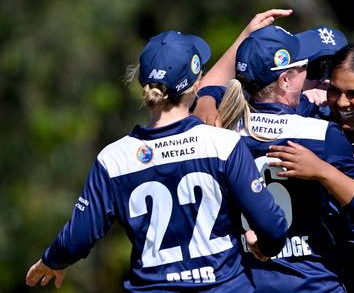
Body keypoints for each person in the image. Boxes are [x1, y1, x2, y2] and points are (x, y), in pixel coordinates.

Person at [25, 31, 288, 292]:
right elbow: (272, 226)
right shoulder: (223, 144)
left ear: (143, 85)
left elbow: (79, 237)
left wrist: (53, 260)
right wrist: (265, 246)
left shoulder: (114, 159)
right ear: (196, 83)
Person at [201, 25, 354, 292]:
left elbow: (208, 91)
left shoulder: (220, 130)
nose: (316, 79)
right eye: (305, 68)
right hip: (312, 282)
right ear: (286, 80)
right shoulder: (320, 134)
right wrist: (324, 171)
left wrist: (206, 97)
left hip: (248, 281)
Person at [267, 42, 354, 293]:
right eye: (334, 91)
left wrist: (323, 171)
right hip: (304, 276)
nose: (342, 103)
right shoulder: (310, 125)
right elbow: (248, 93)